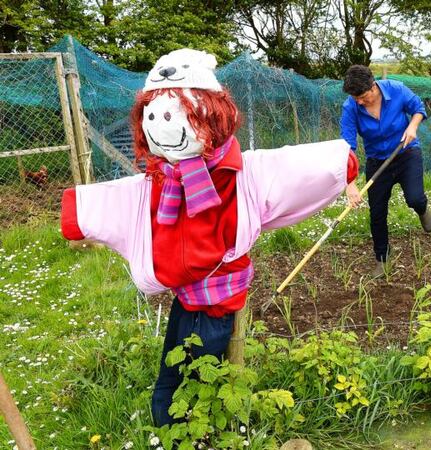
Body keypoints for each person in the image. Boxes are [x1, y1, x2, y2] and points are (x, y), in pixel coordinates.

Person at [60, 48, 359, 426]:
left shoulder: (242, 173)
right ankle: (172, 426)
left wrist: (341, 163)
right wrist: (78, 215)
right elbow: (123, 198)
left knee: (202, 368)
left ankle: (194, 426)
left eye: (174, 114)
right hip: (185, 293)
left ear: (212, 115)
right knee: (177, 363)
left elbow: (291, 168)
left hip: (218, 294)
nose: (161, 125)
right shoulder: (160, 180)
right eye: (153, 115)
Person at [340, 65, 431, 277]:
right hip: (377, 162)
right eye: (356, 98)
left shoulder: (397, 89)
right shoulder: (351, 107)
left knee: (415, 198)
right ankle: (382, 258)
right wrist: (350, 183)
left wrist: (412, 126)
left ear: (373, 86)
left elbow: (418, 108)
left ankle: (422, 209)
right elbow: (347, 146)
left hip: (406, 153)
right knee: (377, 213)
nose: (359, 102)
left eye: (362, 97)